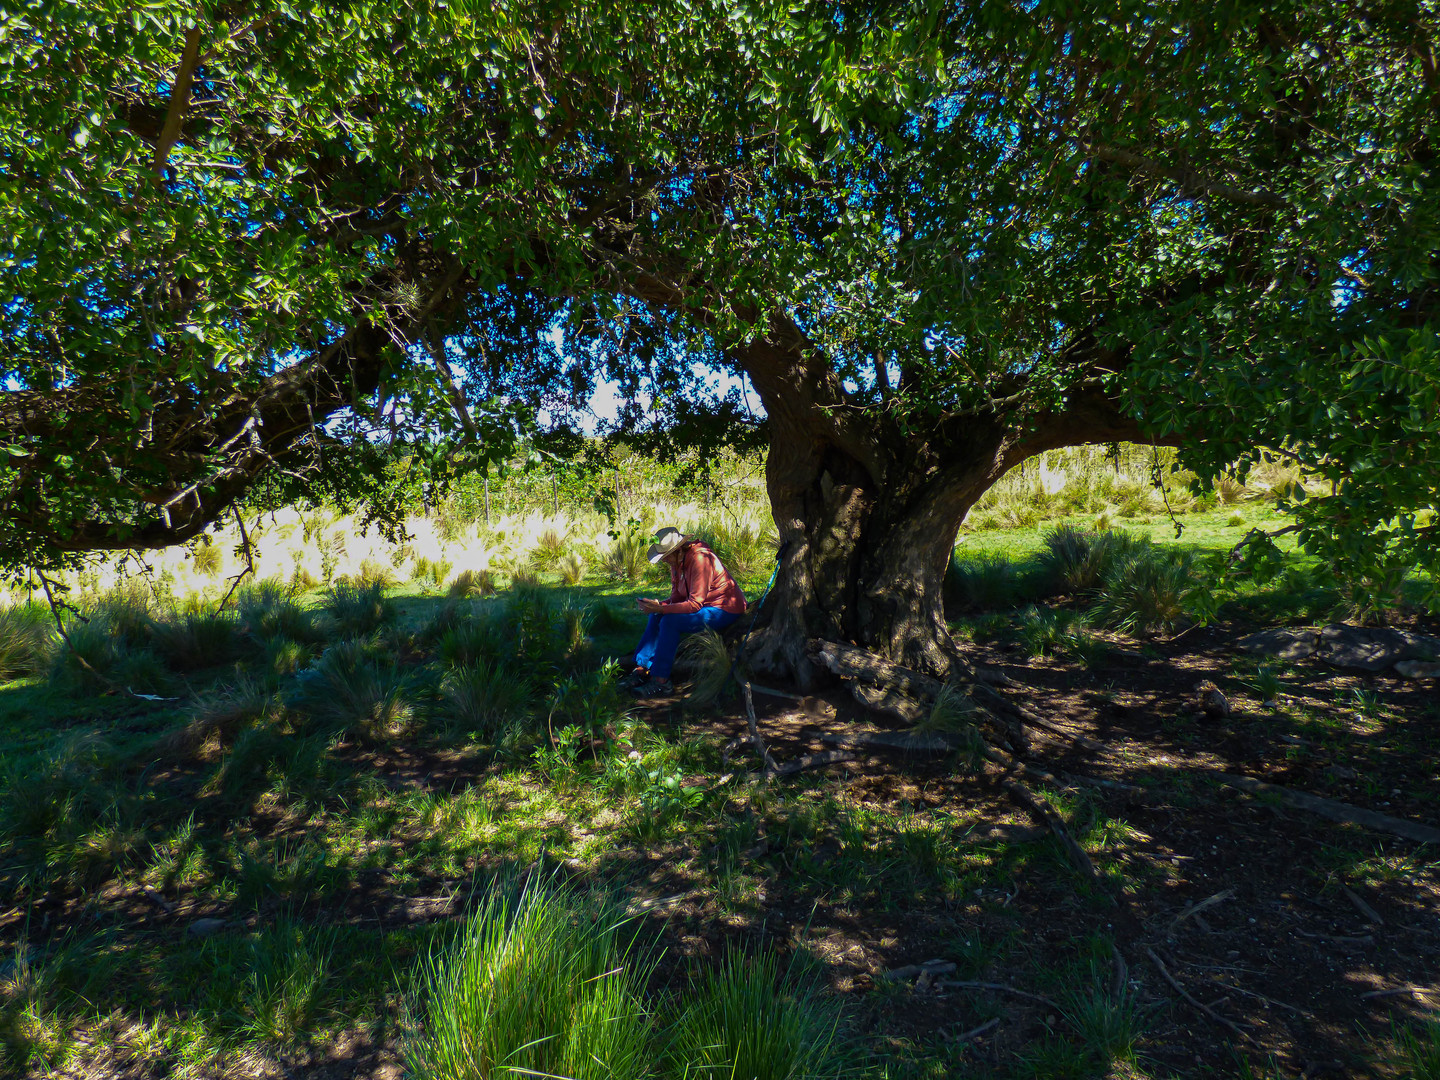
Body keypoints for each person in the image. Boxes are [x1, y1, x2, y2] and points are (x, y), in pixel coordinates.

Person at [622, 527, 746, 697]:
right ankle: (642, 669)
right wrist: (658, 606)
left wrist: (663, 608)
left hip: (724, 608)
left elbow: (695, 604)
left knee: (670, 622)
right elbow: (677, 597)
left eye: (666, 556)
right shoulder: (677, 563)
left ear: (678, 550)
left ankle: (661, 682)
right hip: (704, 606)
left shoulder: (700, 560)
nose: (665, 561)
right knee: (658, 615)